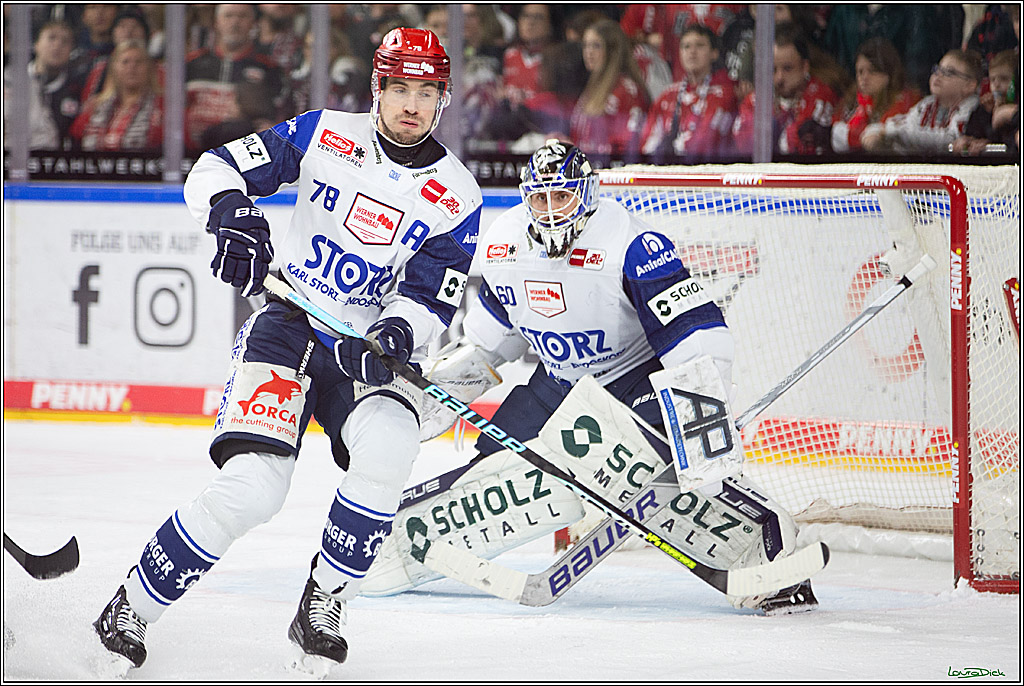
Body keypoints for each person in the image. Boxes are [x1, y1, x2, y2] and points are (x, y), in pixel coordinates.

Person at [93, 27, 482, 670]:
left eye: (427, 91)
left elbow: (430, 295)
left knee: (389, 442)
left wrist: (396, 333)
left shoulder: (458, 194)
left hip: (360, 349)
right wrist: (232, 215)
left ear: (442, 98)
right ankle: (131, 604)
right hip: (287, 327)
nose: (412, 104)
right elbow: (215, 168)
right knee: (254, 490)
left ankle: (324, 600)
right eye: (400, 89)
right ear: (377, 89)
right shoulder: (324, 133)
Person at [400, 139, 817, 615]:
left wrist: (703, 438)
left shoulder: (633, 245)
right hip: (557, 385)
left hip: (634, 383)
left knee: (654, 474)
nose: (551, 212)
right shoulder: (503, 244)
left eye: (563, 197)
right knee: (492, 470)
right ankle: (403, 544)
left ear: (589, 193)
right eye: (540, 198)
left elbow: (699, 343)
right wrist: (423, 405)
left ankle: (774, 551)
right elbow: (488, 345)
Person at [184, 3, 286, 154]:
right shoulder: (191, 64)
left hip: (242, 155)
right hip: (192, 151)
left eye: (242, 16)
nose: (235, 22)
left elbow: (279, 118)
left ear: (253, 23)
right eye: (228, 16)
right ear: (216, 22)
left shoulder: (269, 69)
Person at [732, 23, 838, 156]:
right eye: (773, 69)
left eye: (787, 68)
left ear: (804, 67)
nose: (779, 78)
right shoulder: (757, 99)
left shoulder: (821, 96)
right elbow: (744, 143)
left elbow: (802, 148)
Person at [800, 37, 918, 155]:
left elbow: (880, 140)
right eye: (860, 72)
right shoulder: (852, 102)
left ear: (888, 73)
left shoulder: (904, 102)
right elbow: (836, 124)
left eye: (872, 71)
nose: (864, 78)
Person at [640, 23, 738, 163]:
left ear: (714, 53)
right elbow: (647, 143)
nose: (692, 51)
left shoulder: (725, 94)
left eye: (699, 45)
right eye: (686, 46)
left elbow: (704, 143)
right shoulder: (668, 95)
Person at [861, 50, 982, 154]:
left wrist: (892, 133)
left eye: (949, 72)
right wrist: (877, 131)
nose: (938, 75)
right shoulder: (926, 104)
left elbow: (951, 139)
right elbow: (904, 124)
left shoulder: (973, 107)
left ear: (970, 85)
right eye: (937, 69)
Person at [570, 18, 650, 163]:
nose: (589, 52)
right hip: (589, 174)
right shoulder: (592, 88)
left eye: (596, 46)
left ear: (612, 50)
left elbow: (629, 146)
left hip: (613, 178)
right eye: (586, 45)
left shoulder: (627, 91)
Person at [2, 19, 84, 150]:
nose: (57, 45)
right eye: (51, 38)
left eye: (65, 41)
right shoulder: (8, 80)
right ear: (36, 44)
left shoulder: (77, 89)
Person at [70, 40, 163, 151]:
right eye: (125, 62)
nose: (132, 67)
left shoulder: (163, 106)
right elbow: (75, 138)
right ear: (114, 68)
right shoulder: (95, 106)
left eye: (138, 62)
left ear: (149, 68)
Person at [953, 49, 1019, 154]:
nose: (996, 85)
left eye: (1004, 79)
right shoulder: (983, 109)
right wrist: (970, 141)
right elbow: (974, 133)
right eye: (993, 79)